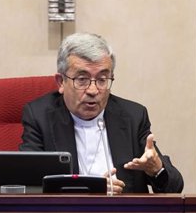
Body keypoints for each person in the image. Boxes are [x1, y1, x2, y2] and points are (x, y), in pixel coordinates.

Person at [20, 32, 184, 194]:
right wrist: (89, 189)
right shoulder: (39, 116)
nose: (93, 90)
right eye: (82, 79)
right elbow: (26, 182)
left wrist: (157, 170)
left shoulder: (133, 116)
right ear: (61, 82)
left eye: (102, 79)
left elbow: (175, 188)